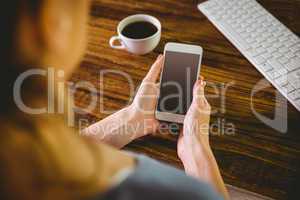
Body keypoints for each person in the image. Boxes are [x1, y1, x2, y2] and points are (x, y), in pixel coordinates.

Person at [0, 0, 229, 200]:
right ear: (50, 22)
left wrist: (132, 119)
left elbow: (45, 157)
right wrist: (195, 148)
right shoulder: (173, 193)